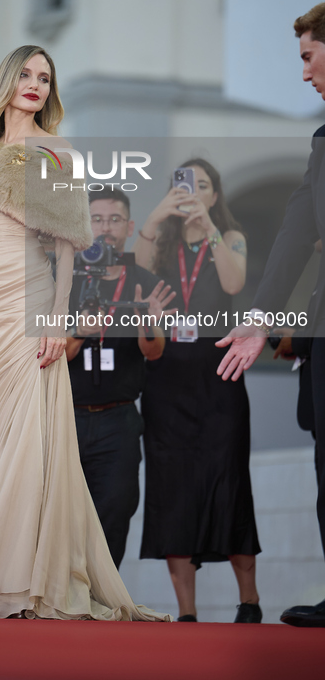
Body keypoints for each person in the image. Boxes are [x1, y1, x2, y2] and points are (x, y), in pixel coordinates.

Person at [0, 44, 172, 621]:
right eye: (27, 74)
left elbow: (68, 244)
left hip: (30, 299)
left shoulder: (56, 151)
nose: (37, 85)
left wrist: (59, 317)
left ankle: (20, 585)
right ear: (7, 81)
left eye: (46, 77)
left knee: (27, 443)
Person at [217, 3, 325, 626]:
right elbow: (292, 235)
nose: (304, 74)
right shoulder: (322, 142)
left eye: (308, 57)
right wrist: (260, 319)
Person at [133, 159, 261, 622]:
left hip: (219, 378)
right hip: (167, 381)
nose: (193, 192)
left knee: (229, 483)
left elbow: (234, 281)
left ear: (214, 194)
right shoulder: (160, 244)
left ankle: (249, 601)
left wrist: (208, 228)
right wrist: (155, 217)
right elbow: (137, 277)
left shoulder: (230, 237)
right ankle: (187, 613)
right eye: (183, 185)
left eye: (202, 185)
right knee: (172, 489)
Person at [65, 188, 174, 567]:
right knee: (61, 514)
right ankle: (61, 601)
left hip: (120, 419)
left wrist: (147, 323)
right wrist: (79, 331)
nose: (105, 228)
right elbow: (48, 354)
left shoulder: (144, 280)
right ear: (84, 225)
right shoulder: (65, 280)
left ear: (129, 227)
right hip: (67, 417)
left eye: (114, 220)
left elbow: (155, 351)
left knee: (116, 509)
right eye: (96, 219)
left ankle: (101, 604)